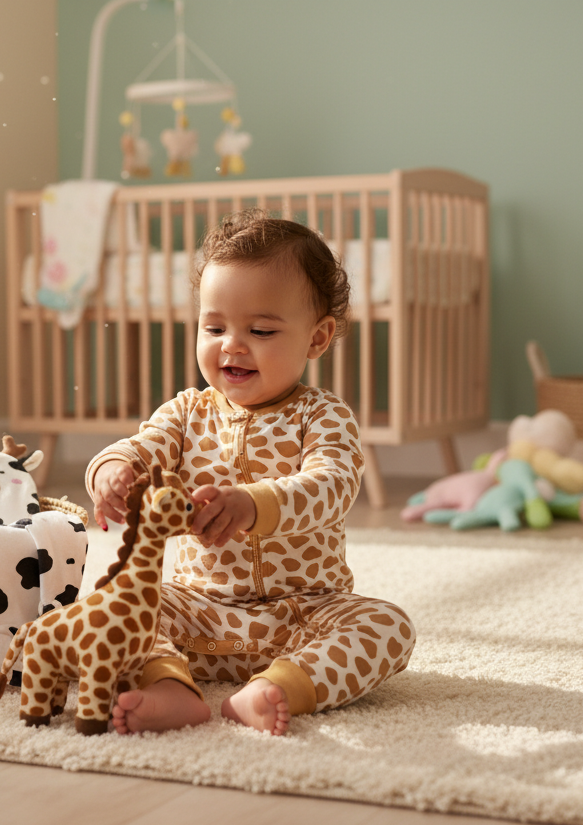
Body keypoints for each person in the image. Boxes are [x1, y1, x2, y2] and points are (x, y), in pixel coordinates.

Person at [86, 209, 415, 736]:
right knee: (114, 604)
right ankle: (170, 685)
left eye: (260, 330)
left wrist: (251, 503)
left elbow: (331, 486)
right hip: (198, 619)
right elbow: (144, 446)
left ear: (317, 338)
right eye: (214, 327)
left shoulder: (322, 415)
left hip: (303, 616)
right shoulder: (187, 412)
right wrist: (114, 469)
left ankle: (279, 687)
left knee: (388, 626)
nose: (232, 345)